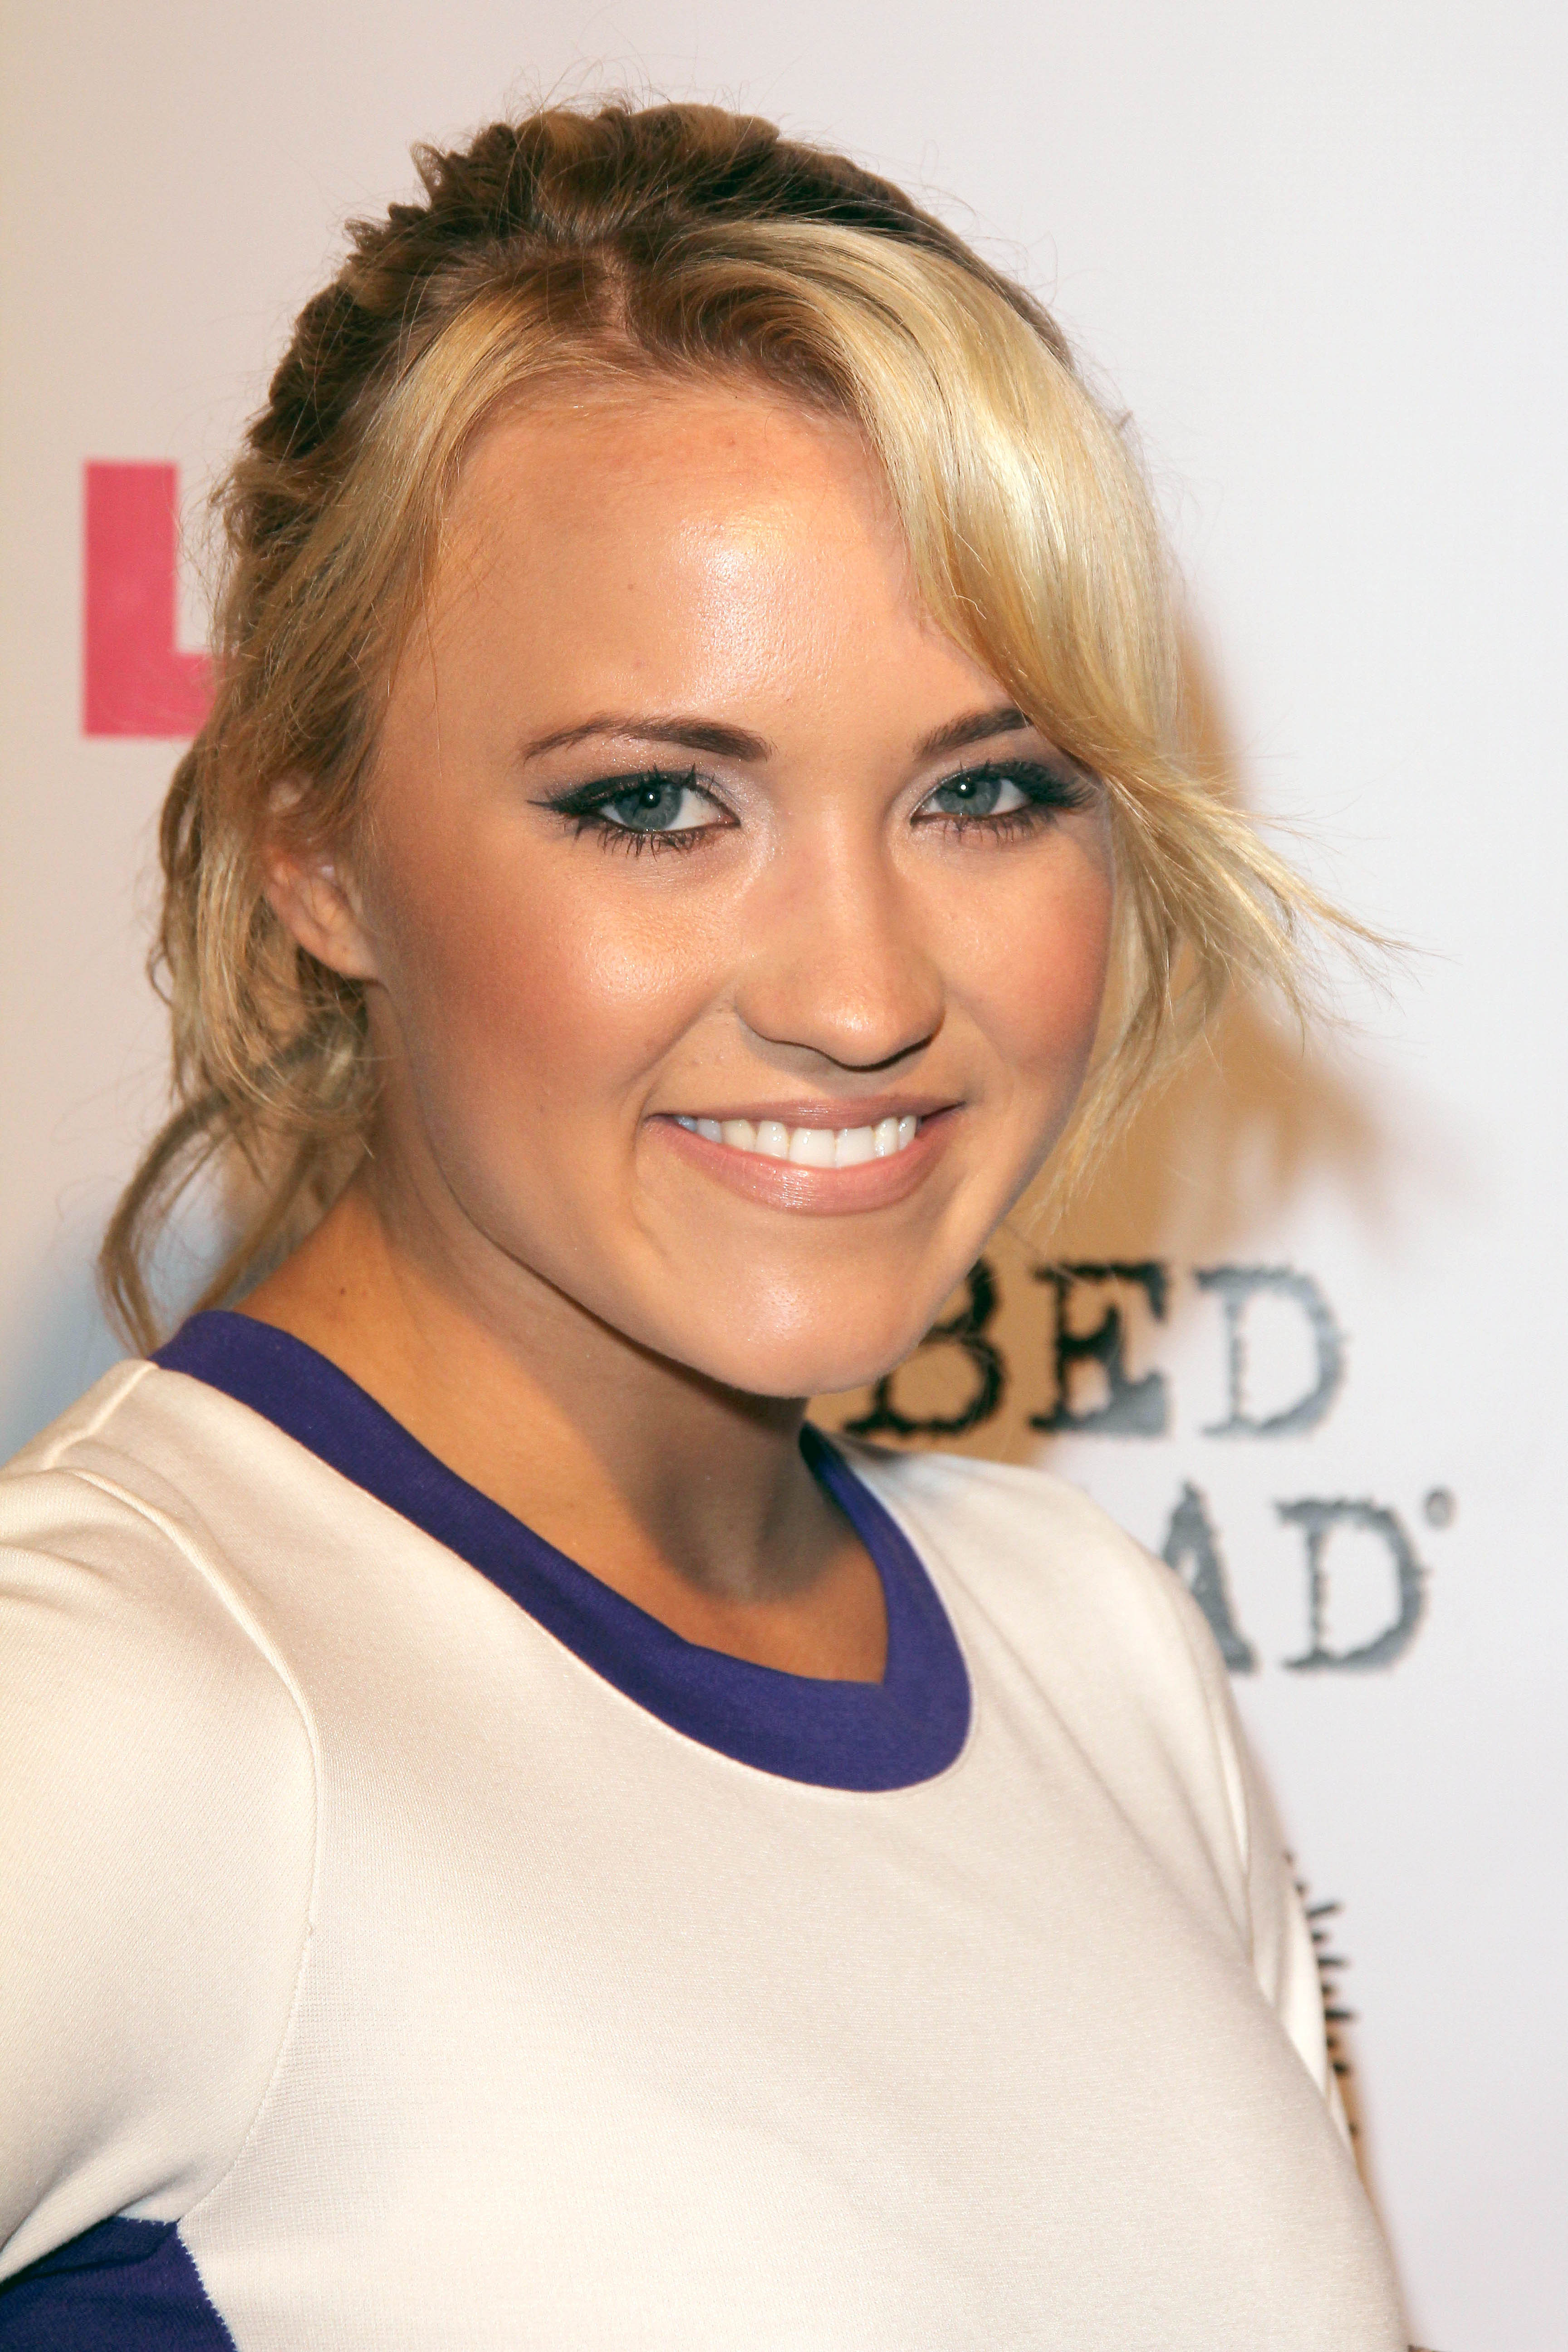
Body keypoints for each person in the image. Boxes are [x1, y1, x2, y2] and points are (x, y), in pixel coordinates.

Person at [0, 101, 1406, 2349]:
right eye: (656, 803)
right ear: (316, 853)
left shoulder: (1093, 1645)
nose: (860, 995)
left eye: (988, 790)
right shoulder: (115, 1700)